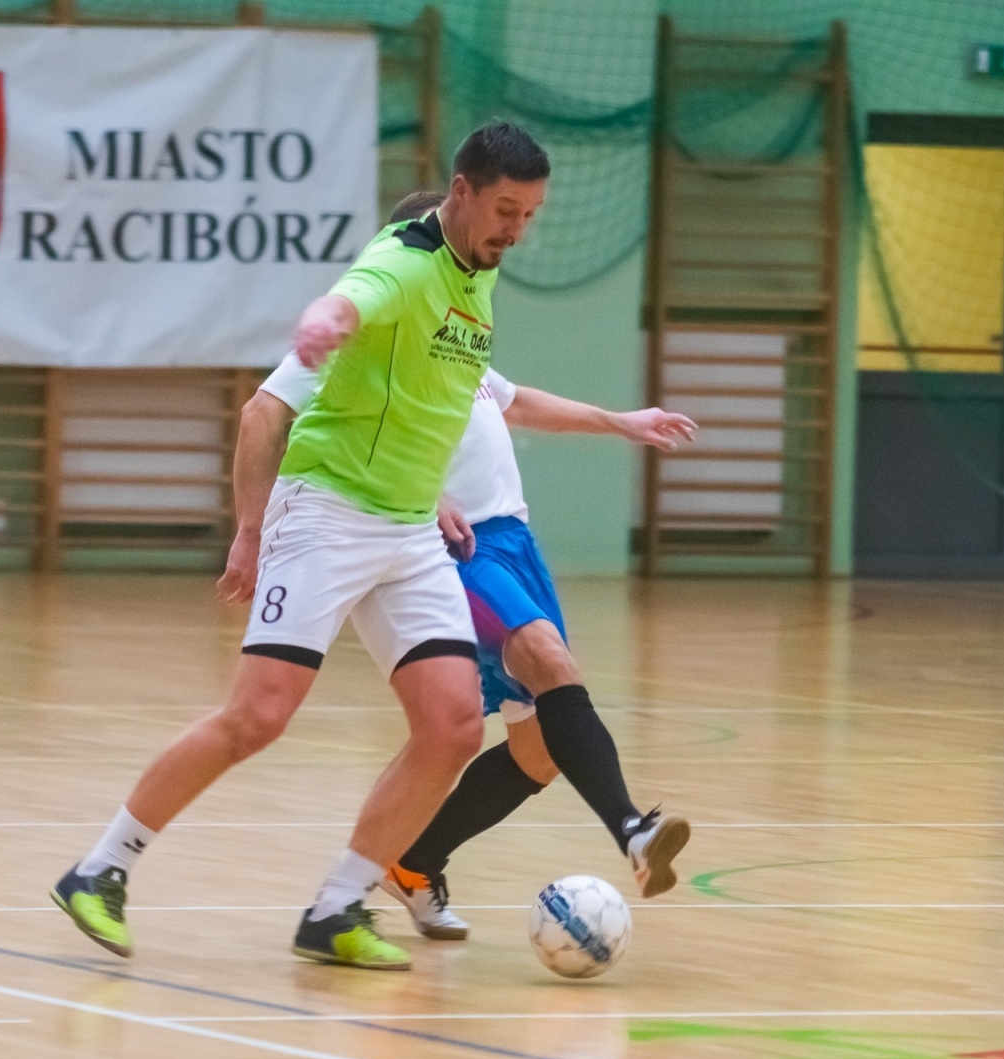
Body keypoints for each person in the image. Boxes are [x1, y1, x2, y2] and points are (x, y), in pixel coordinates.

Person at [52, 123, 549, 971]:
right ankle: (100, 869)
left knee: (454, 724)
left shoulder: (476, 278)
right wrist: (323, 323)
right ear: (461, 190)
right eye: (505, 209)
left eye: (530, 215)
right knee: (259, 716)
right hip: (326, 513)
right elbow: (353, 296)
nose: (515, 229)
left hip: (406, 528)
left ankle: (335, 907)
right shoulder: (409, 259)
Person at [222, 191, 696, 942]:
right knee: (547, 659)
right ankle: (633, 831)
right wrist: (413, 493)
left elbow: (517, 402)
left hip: (514, 544)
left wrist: (618, 422)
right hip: (450, 546)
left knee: (538, 750)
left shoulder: (455, 342)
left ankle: (414, 859)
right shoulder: (363, 340)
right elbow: (303, 423)